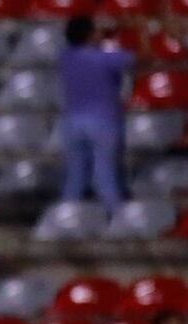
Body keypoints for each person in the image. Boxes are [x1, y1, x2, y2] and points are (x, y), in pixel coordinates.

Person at [58, 14, 134, 216]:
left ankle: (65, 219)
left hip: (72, 121)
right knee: (105, 174)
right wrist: (139, 32)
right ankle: (118, 219)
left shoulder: (66, 57)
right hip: (103, 121)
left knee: (75, 177)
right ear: (90, 35)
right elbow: (144, 59)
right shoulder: (106, 58)